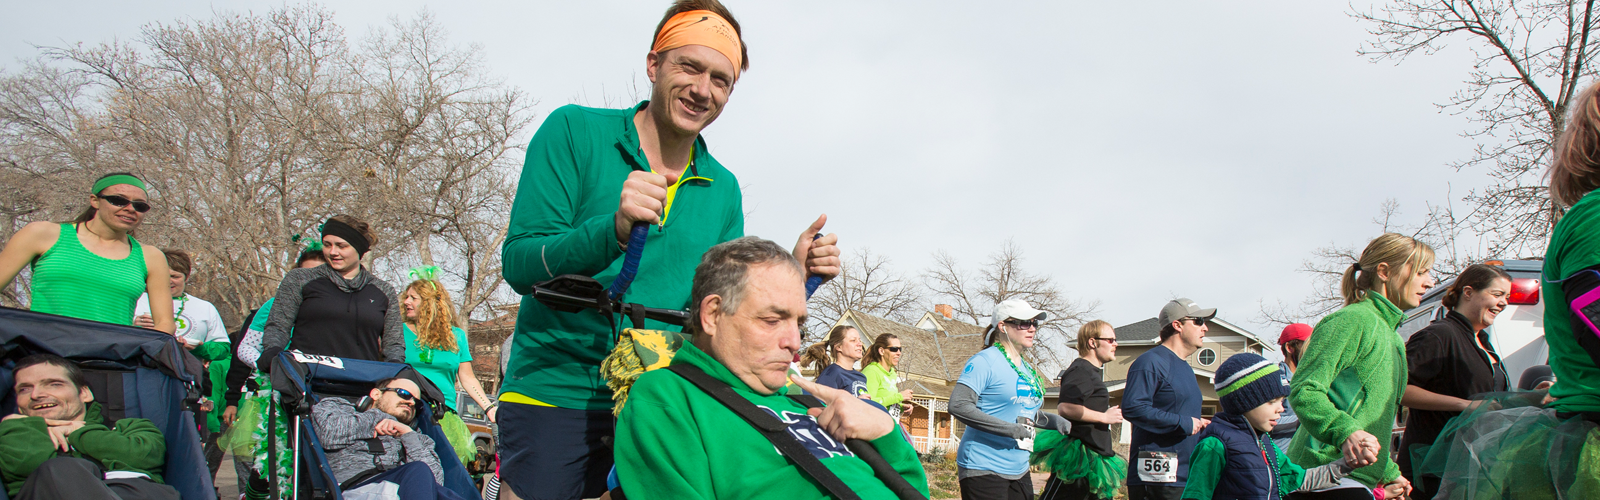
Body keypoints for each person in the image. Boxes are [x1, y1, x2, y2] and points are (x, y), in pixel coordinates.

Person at [496, 1, 841, 498]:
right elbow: (520, 263)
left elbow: (720, 311)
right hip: (557, 385)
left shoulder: (723, 188)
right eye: (690, 67)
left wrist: (792, 274)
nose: (703, 90)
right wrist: (612, 230)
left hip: (661, 394)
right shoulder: (573, 130)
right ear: (654, 64)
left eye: (721, 80)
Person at [613, 237, 926, 499]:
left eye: (799, 325)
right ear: (713, 314)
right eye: (772, 320)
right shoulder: (669, 398)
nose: (794, 343)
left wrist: (886, 432)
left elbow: (916, 493)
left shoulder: (804, 399)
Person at [1287, 233, 1434, 499]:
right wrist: (1345, 432)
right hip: (1320, 475)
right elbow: (1304, 390)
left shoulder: (1394, 339)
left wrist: (1389, 472)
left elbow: (1367, 420)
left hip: (1357, 479)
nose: (1429, 282)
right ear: (1384, 272)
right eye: (1421, 272)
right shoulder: (1352, 321)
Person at [0, 173, 173, 333]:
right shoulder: (43, 234)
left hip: (111, 360)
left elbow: (165, 324)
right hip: (45, 354)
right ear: (95, 200)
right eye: (119, 200)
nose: (130, 208)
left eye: (140, 205)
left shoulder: (151, 256)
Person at [1397, 263, 1512, 498]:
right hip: (1432, 471)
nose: (1504, 303)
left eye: (1507, 297)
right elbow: (1400, 390)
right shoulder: (1439, 335)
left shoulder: (1483, 343)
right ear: (1468, 292)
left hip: (1471, 468)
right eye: (1497, 294)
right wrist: (1463, 405)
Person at [1180, 353, 1361, 500]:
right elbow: (1196, 495)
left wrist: (1347, 464)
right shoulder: (1215, 445)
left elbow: (1302, 480)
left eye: (1282, 401)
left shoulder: (1266, 444)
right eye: (1271, 401)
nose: (1281, 409)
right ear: (1244, 402)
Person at [0, 354, 177, 500]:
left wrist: (77, 432)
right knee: (62, 469)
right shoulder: (14, 431)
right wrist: (18, 425)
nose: (36, 395)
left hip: (131, 492)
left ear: (84, 393)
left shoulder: (132, 426)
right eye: (24, 389)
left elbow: (145, 456)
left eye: (54, 384)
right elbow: (25, 464)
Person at [950, 299, 1075, 500]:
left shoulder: (1026, 368)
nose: (1032, 329)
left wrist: (1054, 421)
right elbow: (959, 405)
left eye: (1035, 324)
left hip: (1019, 467)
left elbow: (1024, 412)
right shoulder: (984, 361)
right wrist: (1010, 429)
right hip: (983, 465)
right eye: (1024, 323)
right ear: (1003, 326)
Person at [132, 249, 231, 484]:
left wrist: (196, 347)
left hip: (188, 389)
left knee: (187, 448)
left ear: (186, 277)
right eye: (161, 274)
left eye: (174, 275)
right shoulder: (134, 301)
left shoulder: (204, 308)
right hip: (143, 382)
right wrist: (132, 326)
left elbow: (224, 348)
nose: (168, 281)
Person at [259, 214, 403, 365]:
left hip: (360, 381)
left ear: (359, 249)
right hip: (305, 379)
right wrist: (272, 352)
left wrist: (395, 366)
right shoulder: (300, 278)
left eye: (341, 246)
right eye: (327, 245)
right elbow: (278, 326)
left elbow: (394, 344)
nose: (333, 252)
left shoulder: (384, 291)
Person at [400, 266, 497, 465]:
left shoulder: (457, 336)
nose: (406, 302)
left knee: (444, 470)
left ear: (430, 304)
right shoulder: (397, 331)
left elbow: (468, 378)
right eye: (406, 296)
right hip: (405, 410)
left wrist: (489, 408)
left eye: (413, 298)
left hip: (443, 415)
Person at [311, 375, 464, 500]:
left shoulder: (417, 437)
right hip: (357, 489)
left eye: (416, 403)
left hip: (400, 488)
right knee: (418, 471)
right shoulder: (340, 408)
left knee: (447, 495)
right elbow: (328, 433)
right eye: (404, 394)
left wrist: (407, 434)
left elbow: (434, 482)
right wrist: (377, 417)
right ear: (376, 393)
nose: (410, 402)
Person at [1123, 298, 1214, 500]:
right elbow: (1133, 408)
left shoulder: (1186, 369)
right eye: (1199, 321)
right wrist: (1183, 423)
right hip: (1156, 479)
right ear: (1177, 325)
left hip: (1185, 476)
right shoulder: (1150, 362)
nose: (1205, 328)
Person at [1036, 320, 1126, 500]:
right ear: (1092, 343)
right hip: (1079, 457)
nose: (1115, 344)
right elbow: (1066, 407)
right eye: (1110, 340)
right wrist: (1104, 417)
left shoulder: (1091, 372)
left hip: (1094, 456)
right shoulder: (1081, 370)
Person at [1270, 324, 1311, 451]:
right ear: (1289, 348)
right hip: (1281, 460)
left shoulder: (1311, 380)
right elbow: (1265, 421)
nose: (1314, 351)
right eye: (1308, 346)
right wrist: (1308, 419)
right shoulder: (1275, 379)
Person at [802, 325, 869, 398]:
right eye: (853, 340)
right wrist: (857, 402)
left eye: (860, 340)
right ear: (838, 347)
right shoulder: (832, 374)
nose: (860, 344)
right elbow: (822, 405)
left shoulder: (861, 377)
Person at [861, 334, 914, 418]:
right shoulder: (872, 371)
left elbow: (887, 402)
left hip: (889, 424)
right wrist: (899, 397)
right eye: (894, 349)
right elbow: (867, 403)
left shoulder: (892, 373)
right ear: (881, 351)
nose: (899, 353)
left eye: (900, 349)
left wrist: (901, 407)